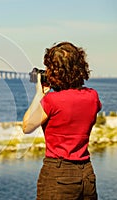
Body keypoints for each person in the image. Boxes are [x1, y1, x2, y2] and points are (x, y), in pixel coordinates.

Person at [23, 42, 102, 200]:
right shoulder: (93, 96)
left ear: (55, 71)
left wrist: (40, 94)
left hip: (58, 174)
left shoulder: (52, 101)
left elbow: (27, 126)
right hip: (86, 173)